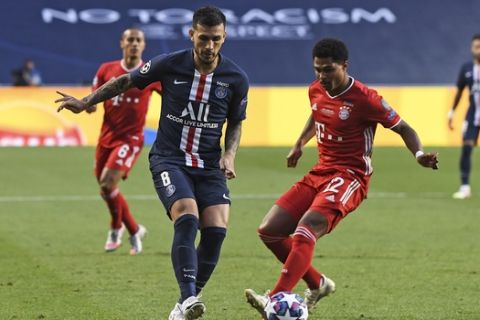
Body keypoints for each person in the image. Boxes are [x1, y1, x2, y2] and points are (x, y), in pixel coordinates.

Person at [55, 6, 248, 320]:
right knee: (186, 216)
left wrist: (230, 154)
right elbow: (124, 82)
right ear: (192, 35)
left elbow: (236, 122)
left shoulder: (236, 78)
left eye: (215, 39)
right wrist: (86, 101)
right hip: (170, 159)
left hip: (210, 165)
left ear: (224, 38)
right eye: (203, 38)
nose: (209, 46)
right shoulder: (170, 64)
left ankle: (182, 305)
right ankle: (188, 299)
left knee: (216, 231)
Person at [244, 38, 438, 318]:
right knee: (270, 230)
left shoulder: (367, 99)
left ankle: (274, 298)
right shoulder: (315, 89)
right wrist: (300, 142)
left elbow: (404, 128)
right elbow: (316, 115)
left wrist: (419, 154)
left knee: (306, 228)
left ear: (344, 66)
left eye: (328, 70)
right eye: (317, 70)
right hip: (320, 171)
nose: (322, 76)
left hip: (351, 177)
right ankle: (318, 284)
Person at [86, 28, 161, 255]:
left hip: (131, 138)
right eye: (130, 40)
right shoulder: (106, 70)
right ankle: (135, 229)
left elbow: (170, 97)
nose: (134, 44)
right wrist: (89, 105)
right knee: (106, 189)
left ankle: (115, 228)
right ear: (122, 43)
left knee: (108, 184)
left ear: (144, 45)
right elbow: (93, 102)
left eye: (139, 40)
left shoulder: (150, 73)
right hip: (106, 137)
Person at [448, 34, 480, 199]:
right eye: (476, 46)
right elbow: (460, 92)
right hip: (473, 115)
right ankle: (465, 186)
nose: (478, 50)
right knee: (467, 147)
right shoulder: (466, 69)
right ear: (471, 48)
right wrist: (452, 112)